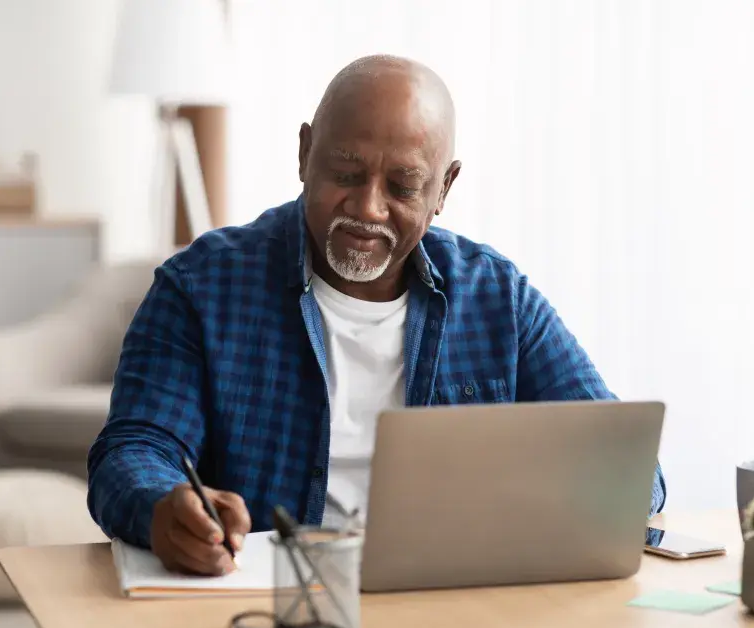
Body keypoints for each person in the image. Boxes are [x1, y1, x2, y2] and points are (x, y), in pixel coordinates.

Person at [87, 54, 666, 576]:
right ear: (304, 154)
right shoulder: (201, 286)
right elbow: (134, 450)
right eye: (345, 172)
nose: (368, 207)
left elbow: (628, 467)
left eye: (402, 185)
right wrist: (164, 508)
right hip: (273, 605)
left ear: (444, 189)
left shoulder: (499, 300)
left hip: (454, 603)